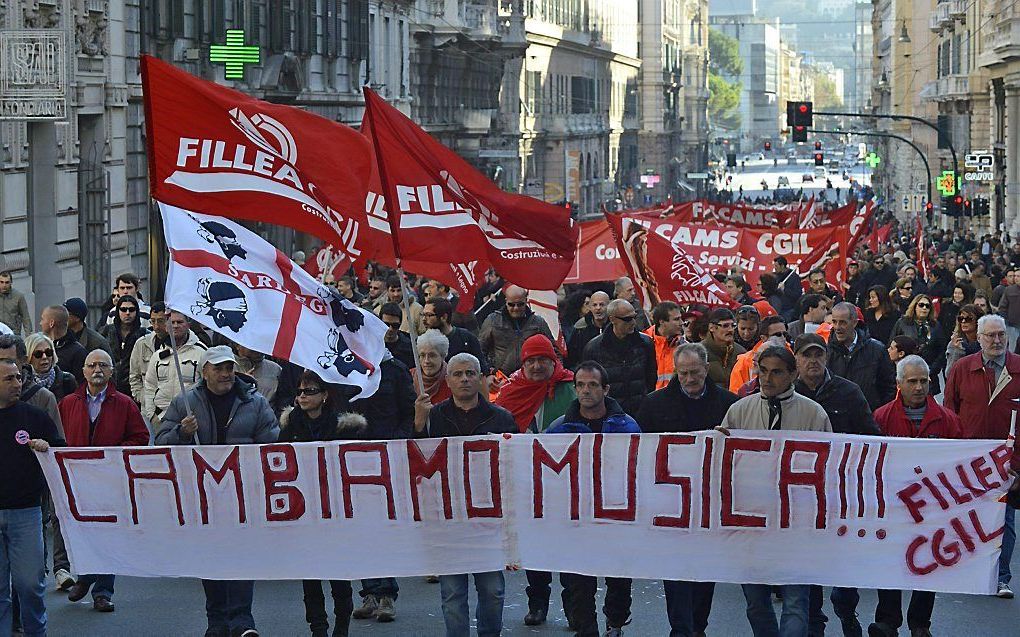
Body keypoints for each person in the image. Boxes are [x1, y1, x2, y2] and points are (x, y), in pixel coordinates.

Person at [156, 345, 279, 637]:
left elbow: (272, 444)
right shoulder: (185, 403)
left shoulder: (256, 403)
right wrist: (181, 433)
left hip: (243, 491)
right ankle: (217, 621)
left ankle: (242, 620)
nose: (225, 374)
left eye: (228, 368)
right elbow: (160, 442)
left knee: (241, 555)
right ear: (204, 372)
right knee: (209, 556)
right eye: (218, 368)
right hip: (202, 494)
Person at [718, 346, 831, 637]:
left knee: (796, 600)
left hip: (796, 523)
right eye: (763, 370)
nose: (767, 378)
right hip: (751, 521)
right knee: (756, 602)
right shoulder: (740, 410)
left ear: (793, 374)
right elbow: (722, 464)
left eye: (776, 371)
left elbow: (827, 467)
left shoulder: (813, 414)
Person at [637, 342, 737, 637]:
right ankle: (681, 629)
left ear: (707, 369)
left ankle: (698, 626)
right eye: (684, 374)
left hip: (711, 502)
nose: (690, 379)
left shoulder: (728, 404)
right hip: (670, 503)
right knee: (677, 571)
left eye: (695, 372)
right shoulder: (654, 405)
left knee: (705, 571)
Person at [414, 353, 513, 637]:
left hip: (489, 520)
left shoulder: (502, 418)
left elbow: (515, 464)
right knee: (452, 595)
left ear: (480, 378)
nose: (465, 379)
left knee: (492, 592)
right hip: (449, 518)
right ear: (448, 380)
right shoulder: (434, 417)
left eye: (470, 373)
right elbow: (417, 462)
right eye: (458, 374)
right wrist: (419, 425)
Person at [545, 361, 640, 637]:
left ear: (605, 389)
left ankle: (615, 621)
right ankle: (586, 630)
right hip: (577, 516)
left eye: (593, 385)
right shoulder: (558, 428)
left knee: (619, 577)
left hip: (616, 514)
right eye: (581, 385)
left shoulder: (627, 425)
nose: (586, 391)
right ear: (575, 389)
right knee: (579, 580)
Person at [793, 333, 880, 636]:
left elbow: (871, 437)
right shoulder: (787, 395)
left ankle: (846, 609)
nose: (813, 361)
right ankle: (815, 620)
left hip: (841, 494)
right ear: (796, 360)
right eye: (806, 355)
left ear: (827, 357)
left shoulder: (849, 392)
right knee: (810, 562)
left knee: (844, 564)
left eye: (818, 354)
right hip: (801, 497)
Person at [870, 356, 962, 637]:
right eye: (912, 381)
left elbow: (961, 460)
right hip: (893, 506)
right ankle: (887, 620)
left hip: (934, 506)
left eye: (924, 381)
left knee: (929, 562)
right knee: (889, 561)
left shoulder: (948, 420)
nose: (919, 387)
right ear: (899, 384)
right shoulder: (881, 417)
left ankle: (920, 623)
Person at [58, 349, 148, 613]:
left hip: (110, 479)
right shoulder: (68, 403)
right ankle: (84, 576)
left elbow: (140, 437)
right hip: (77, 480)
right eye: (92, 365)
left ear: (111, 372)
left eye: (103, 365)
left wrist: (114, 455)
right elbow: (58, 438)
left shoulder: (124, 403)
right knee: (82, 531)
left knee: (107, 534)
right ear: (83, 371)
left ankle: (103, 591)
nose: (97, 369)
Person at [279, 371, 367, 637]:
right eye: (300, 392)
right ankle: (318, 628)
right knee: (310, 575)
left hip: (336, 510)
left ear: (325, 395)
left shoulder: (346, 428)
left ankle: (341, 625)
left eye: (310, 391)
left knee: (338, 573)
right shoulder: (290, 426)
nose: (303, 397)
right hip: (304, 511)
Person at [943, 314, 1020, 598]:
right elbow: (949, 413)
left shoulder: (1019, 368)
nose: (997, 340)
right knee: (966, 518)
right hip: (968, 461)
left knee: (1004, 521)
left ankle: (1001, 577)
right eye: (990, 335)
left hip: (1008, 464)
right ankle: (968, 572)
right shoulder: (963, 369)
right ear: (978, 338)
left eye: (1001, 334)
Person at [336, 354, 415, 623]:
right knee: (359, 527)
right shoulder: (343, 364)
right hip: (351, 457)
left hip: (387, 456)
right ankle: (368, 592)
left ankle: (386, 594)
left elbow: (409, 410)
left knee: (384, 526)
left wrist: (399, 439)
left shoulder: (394, 369)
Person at [0, 357, 63, 637]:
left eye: (18, 377)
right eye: (9, 379)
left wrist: (47, 448)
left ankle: (36, 632)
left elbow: (62, 453)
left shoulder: (34, 417)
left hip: (26, 513)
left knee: (30, 584)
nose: (18, 383)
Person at [581, 299, 656, 415]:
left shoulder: (645, 343)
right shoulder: (594, 348)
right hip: (610, 414)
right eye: (627, 319)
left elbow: (651, 378)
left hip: (641, 411)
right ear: (612, 319)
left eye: (634, 317)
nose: (633, 322)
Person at [494, 333, 573, 433]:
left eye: (542, 360)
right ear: (524, 365)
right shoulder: (509, 391)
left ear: (553, 361)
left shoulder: (571, 388)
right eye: (531, 361)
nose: (537, 366)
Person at [142, 310, 207, 429]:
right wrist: (152, 416)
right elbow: (150, 387)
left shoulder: (201, 353)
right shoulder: (157, 356)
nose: (175, 326)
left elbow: (207, 387)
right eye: (172, 322)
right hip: (162, 419)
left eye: (180, 322)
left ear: (188, 325)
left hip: (191, 420)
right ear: (166, 326)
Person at [827, 302, 897, 411]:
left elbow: (888, 387)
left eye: (842, 322)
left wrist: (878, 413)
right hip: (836, 417)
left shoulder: (877, 350)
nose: (837, 327)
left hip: (869, 416)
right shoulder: (826, 351)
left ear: (854, 323)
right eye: (834, 322)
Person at [479, 285, 554, 379]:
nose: (516, 308)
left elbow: (553, 351)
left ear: (526, 301)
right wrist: (488, 374)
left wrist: (555, 375)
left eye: (520, 304)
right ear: (506, 301)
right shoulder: (492, 321)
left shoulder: (538, 322)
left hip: (530, 380)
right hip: (500, 379)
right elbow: (480, 350)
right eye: (511, 304)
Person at [890, 294, 946, 393]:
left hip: (929, 374)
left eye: (927, 306)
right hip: (905, 371)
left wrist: (931, 370)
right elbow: (892, 345)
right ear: (915, 306)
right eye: (921, 305)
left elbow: (941, 351)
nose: (924, 308)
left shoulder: (935, 326)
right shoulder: (902, 323)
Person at [100, 294, 148, 396]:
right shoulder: (106, 331)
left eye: (131, 310)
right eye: (123, 309)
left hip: (134, 387)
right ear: (118, 311)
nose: (127, 313)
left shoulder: (144, 334)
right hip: (109, 385)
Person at [422, 297, 487, 368]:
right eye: (423, 315)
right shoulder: (422, 342)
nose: (424, 319)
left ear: (444, 317)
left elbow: (482, 368)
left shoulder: (467, 338)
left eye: (428, 315)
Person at [129, 302, 168, 404]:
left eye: (160, 321)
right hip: (147, 407)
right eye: (153, 321)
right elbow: (134, 376)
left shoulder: (177, 344)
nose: (156, 327)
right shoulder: (142, 344)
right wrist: (142, 398)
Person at [39, 305, 88, 384]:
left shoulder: (78, 353)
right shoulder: (42, 346)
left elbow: (81, 384)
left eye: (42, 319)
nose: (40, 323)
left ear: (51, 323)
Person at [25, 332, 77, 404]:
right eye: (38, 354)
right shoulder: (22, 383)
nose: (44, 357)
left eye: (48, 352)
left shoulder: (67, 380)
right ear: (29, 357)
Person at [643, 301, 684, 389]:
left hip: (674, 399)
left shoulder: (683, 346)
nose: (682, 323)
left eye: (681, 318)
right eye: (676, 319)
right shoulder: (643, 344)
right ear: (662, 322)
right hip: (649, 399)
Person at [702, 308, 747, 387]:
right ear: (711, 328)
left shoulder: (741, 352)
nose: (730, 330)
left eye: (733, 325)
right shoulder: (698, 353)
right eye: (725, 326)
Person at [567, 291, 610, 369]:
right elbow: (571, 356)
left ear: (608, 306)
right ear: (590, 307)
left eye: (602, 304)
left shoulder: (616, 324)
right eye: (594, 305)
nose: (598, 308)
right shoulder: (580, 327)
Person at [234, 344, 282, 409]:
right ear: (238, 345)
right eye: (252, 342)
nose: (257, 346)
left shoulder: (275, 369)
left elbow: (282, 400)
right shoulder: (229, 367)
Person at [411, 330, 452, 405]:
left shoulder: (452, 379)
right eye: (422, 355)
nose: (426, 361)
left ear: (443, 356)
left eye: (432, 355)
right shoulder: (408, 377)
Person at [945, 303, 984, 372]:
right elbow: (949, 373)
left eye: (968, 319)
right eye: (961, 319)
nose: (963, 321)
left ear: (978, 321)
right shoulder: (955, 342)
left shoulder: (986, 342)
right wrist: (958, 350)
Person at [380, 302, 414, 369]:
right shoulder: (372, 343)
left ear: (400, 324)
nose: (390, 329)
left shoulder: (410, 346)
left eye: (395, 325)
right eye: (386, 325)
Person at [998, 267, 1020, 350]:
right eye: (1015, 276)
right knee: (1012, 350)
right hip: (1012, 326)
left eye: (1018, 276)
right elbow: (1002, 308)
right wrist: (1006, 322)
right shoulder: (1009, 290)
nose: (1016, 278)